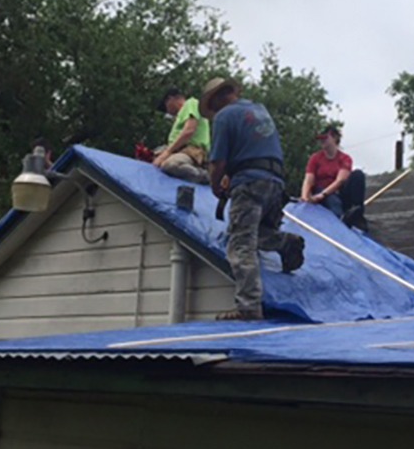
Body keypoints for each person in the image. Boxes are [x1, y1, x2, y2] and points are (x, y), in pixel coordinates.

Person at [202, 77, 305, 321]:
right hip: (276, 183)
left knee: (240, 243)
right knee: (256, 235)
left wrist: (216, 186)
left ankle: (248, 308)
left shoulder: (224, 116)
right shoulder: (259, 110)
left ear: (217, 99)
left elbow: (217, 162)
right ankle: (285, 242)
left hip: (250, 184)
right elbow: (254, 148)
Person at [302, 126, 370, 231]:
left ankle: (357, 214)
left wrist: (323, 194)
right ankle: (340, 220)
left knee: (358, 175)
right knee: (332, 202)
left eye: (325, 138)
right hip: (321, 192)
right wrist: (305, 197)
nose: (322, 141)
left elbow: (340, 180)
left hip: (336, 192)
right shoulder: (315, 158)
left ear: (334, 138)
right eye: (321, 139)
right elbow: (308, 180)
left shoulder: (344, 159)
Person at [152, 87, 210, 184]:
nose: (168, 112)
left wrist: (167, 152)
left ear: (170, 99)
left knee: (170, 165)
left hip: (191, 151)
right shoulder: (180, 115)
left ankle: (204, 176)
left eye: (165, 107)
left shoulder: (191, 103)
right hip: (180, 151)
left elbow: (189, 130)